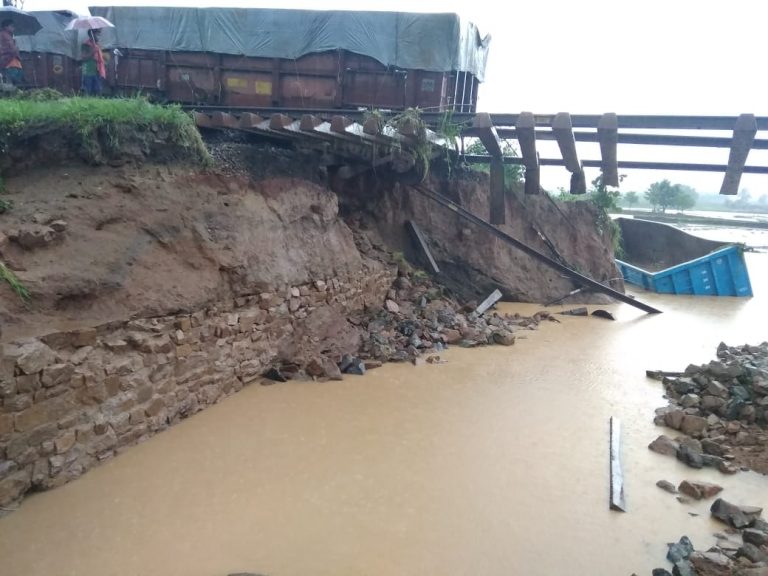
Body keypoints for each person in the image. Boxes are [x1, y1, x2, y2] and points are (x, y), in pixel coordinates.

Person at [80, 29, 106, 95]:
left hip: (97, 71)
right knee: (88, 92)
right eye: (97, 34)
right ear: (91, 35)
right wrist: (93, 52)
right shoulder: (85, 45)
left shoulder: (97, 45)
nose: (99, 36)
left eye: (99, 34)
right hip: (88, 71)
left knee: (98, 92)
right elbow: (83, 58)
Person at [0, 19, 23, 86]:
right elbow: (11, 48)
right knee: (12, 79)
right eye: (11, 26)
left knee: (11, 78)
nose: (13, 28)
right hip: (8, 60)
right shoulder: (4, 35)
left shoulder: (7, 35)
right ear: (6, 27)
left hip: (9, 60)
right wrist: (16, 49)